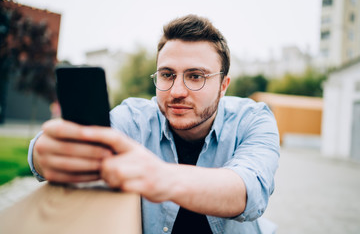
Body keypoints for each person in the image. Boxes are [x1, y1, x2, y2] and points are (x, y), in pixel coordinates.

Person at [28, 14, 279, 234]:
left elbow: (249, 189)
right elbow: (44, 154)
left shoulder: (254, 119)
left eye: (195, 76)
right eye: (167, 75)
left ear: (223, 86)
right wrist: (47, 152)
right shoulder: (135, 119)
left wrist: (159, 176)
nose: (177, 91)